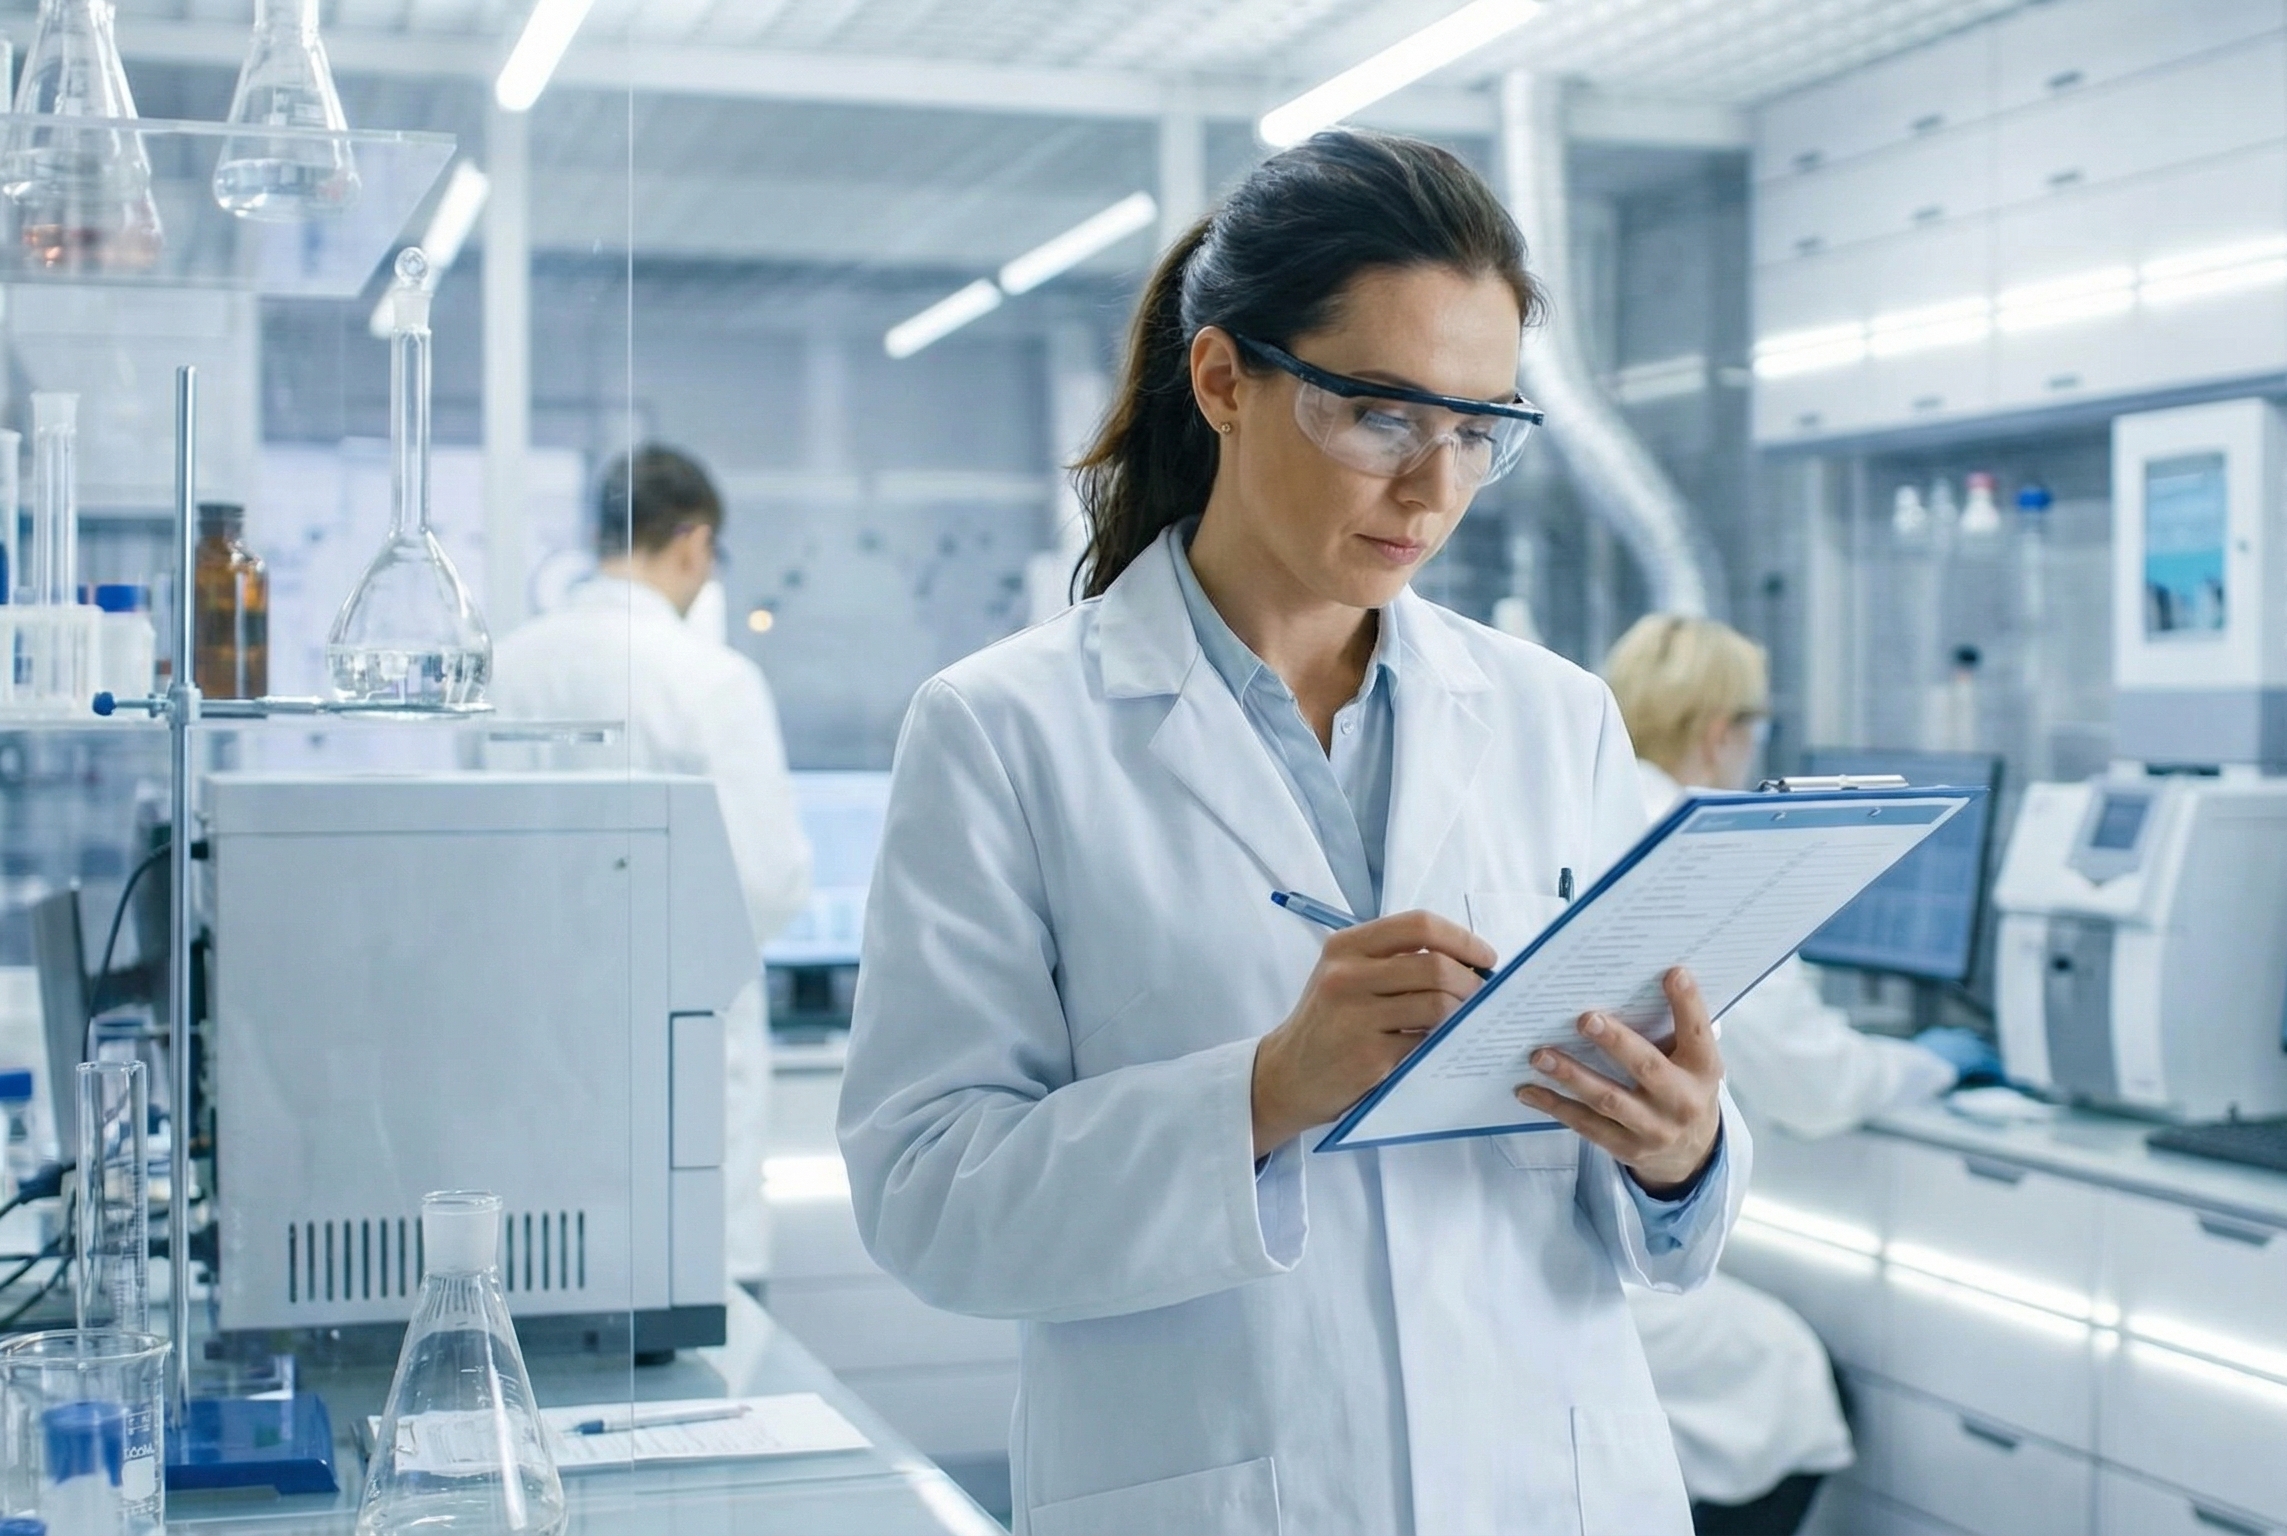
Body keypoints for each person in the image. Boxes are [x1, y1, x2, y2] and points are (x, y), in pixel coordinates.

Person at [838, 131, 1748, 1536]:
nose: (1434, 487)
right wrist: (1265, 1090)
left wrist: (1678, 1152)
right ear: (1224, 381)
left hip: (1548, 1485)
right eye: (1383, 415)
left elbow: (1647, 1190)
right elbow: (927, 1199)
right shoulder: (1004, 732)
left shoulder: (1553, 717)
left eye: (1478, 429)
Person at [1602, 614, 1995, 1536]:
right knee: (1788, 1383)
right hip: (1611, 1263)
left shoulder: (1598, 808)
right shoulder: (1703, 846)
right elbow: (1817, 1083)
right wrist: (1935, 1066)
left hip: (1579, 1230)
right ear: (1720, 732)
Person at [493, 444, 811, 1293]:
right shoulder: (710, 681)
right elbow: (767, 882)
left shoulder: (511, 669)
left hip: (532, 1068)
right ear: (693, 543)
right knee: (698, 1330)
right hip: (677, 1083)